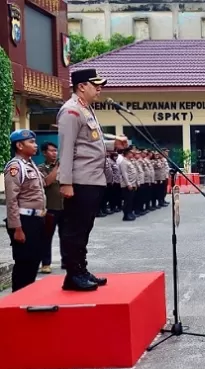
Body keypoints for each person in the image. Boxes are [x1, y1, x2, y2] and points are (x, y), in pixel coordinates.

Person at [57, 68, 128, 291]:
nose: (99, 88)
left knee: (85, 227)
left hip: (94, 179)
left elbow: (90, 144)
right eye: (94, 84)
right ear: (81, 86)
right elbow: (66, 150)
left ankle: (81, 269)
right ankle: (73, 274)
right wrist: (66, 182)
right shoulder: (71, 112)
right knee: (75, 228)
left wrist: (112, 145)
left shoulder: (86, 110)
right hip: (80, 180)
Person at [4, 130, 46, 292]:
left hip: (36, 220)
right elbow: (11, 200)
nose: (35, 145)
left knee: (34, 261)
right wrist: (17, 229)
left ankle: (27, 297)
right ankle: (17, 300)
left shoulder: (31, 164)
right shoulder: (15, 167)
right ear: (19, 145)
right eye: (31, 142)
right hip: (24, 221)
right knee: (24, 263)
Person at [38, 142, 63, 274]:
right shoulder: (41, 168)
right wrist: (57, 167)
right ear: (44, 153)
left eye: (56, 151)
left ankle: (67, 261)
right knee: (47, 237)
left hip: (64, 207)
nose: (55, 153)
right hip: (50, 208)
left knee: (66, 236)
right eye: (52, 151)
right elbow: (46, 182)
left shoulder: (64, 167)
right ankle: (46, 263)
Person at [119, 147, 138, 221]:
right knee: (127, 201)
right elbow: (124, 174)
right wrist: (128, 184)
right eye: (131, 153)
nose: (132, 154)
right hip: (127, 185)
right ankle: (126, 215)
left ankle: (129, 213)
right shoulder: (123, 162)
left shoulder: (129, 161)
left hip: (132, 184)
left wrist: (135, 184)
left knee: (131, 200)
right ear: (127, 153)